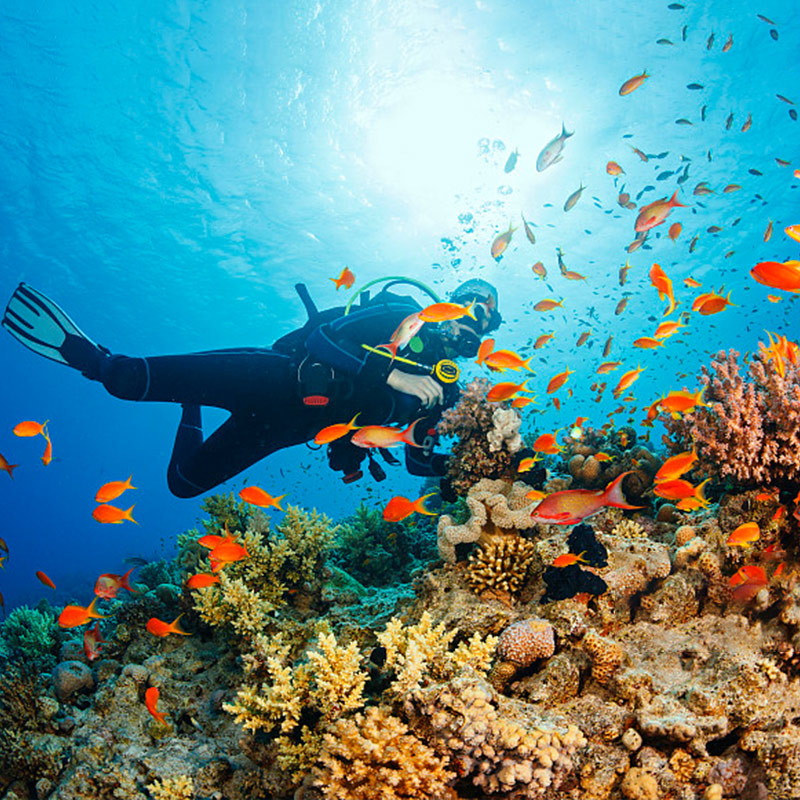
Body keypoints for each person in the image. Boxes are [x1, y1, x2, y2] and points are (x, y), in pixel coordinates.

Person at [2, 278, 502, 498]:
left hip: (287, 428)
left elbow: (415, 457)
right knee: (125, 378)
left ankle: (191, 406)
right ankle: (82, 352)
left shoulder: (448, 391)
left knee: (182, 484)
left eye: (488, 322)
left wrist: (458, 473)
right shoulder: (404, 316)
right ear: (453, 306)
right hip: (274, 375)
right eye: (472, 311)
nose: (475, 328)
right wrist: (392, 373)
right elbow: (321, 340)